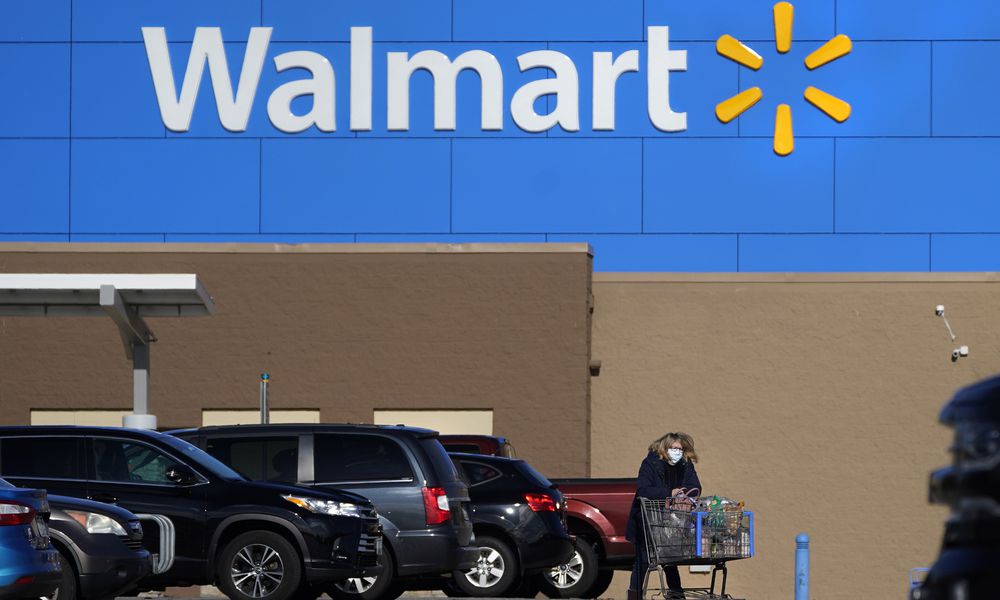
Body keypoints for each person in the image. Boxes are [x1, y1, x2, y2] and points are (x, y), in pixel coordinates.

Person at [625, 432, 701, 600]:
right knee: (644, 559)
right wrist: (669, 493)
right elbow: (643, 489)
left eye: (680, 449)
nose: (677, 451)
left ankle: (676, 595)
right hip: (648, 519)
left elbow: (695, 486)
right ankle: (634, 595)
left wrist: (684, 494)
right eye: (673, 448)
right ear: (664, 449)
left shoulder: (685, 465)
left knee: (670, 559)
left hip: (671, 520)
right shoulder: (651, 463)